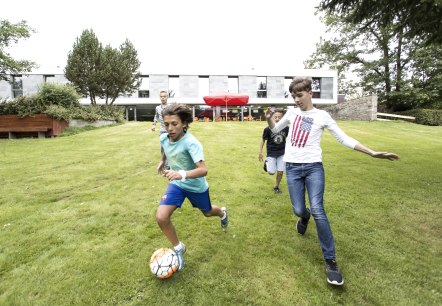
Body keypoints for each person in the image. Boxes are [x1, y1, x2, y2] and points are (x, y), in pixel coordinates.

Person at [265, 76, 400, 286]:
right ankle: (303, 218)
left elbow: (343, 138)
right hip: (291, 168)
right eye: (293, 96)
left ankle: (331, 261)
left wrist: (372, 152)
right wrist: (269, 119)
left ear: (310, 92)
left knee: (318, 209)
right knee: (299, 210)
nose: (296, 100)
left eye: (299, 95)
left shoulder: (322, 116)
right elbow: (274, 130)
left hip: (313, 168)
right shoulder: (291, 113)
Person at [155, 103, 228, 272]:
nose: (170, 128)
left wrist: (182, 174)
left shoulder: (191, 143)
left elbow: (203, 170)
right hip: (177, 184)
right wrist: (162, 161)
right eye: (166, 125)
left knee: (208, 212)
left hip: (195, 186)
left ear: (184, 124)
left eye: (174, 124)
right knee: (161, 217)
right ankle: (179, 248)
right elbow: (165, 148)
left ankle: (222, 213)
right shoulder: (163, 138)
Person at [259, 109, 289, 193]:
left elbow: (290, 139)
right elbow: (263, 140)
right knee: (271, 172)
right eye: (275, 117)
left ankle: (276, 186)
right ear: (272, 117)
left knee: (280, 171)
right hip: (271, 153)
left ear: (283, 118)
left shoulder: (286, 128)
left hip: (282, 153)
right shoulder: (268, 129)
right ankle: (267, 162)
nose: (277, 119)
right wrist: (260, 152)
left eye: (279, 117)